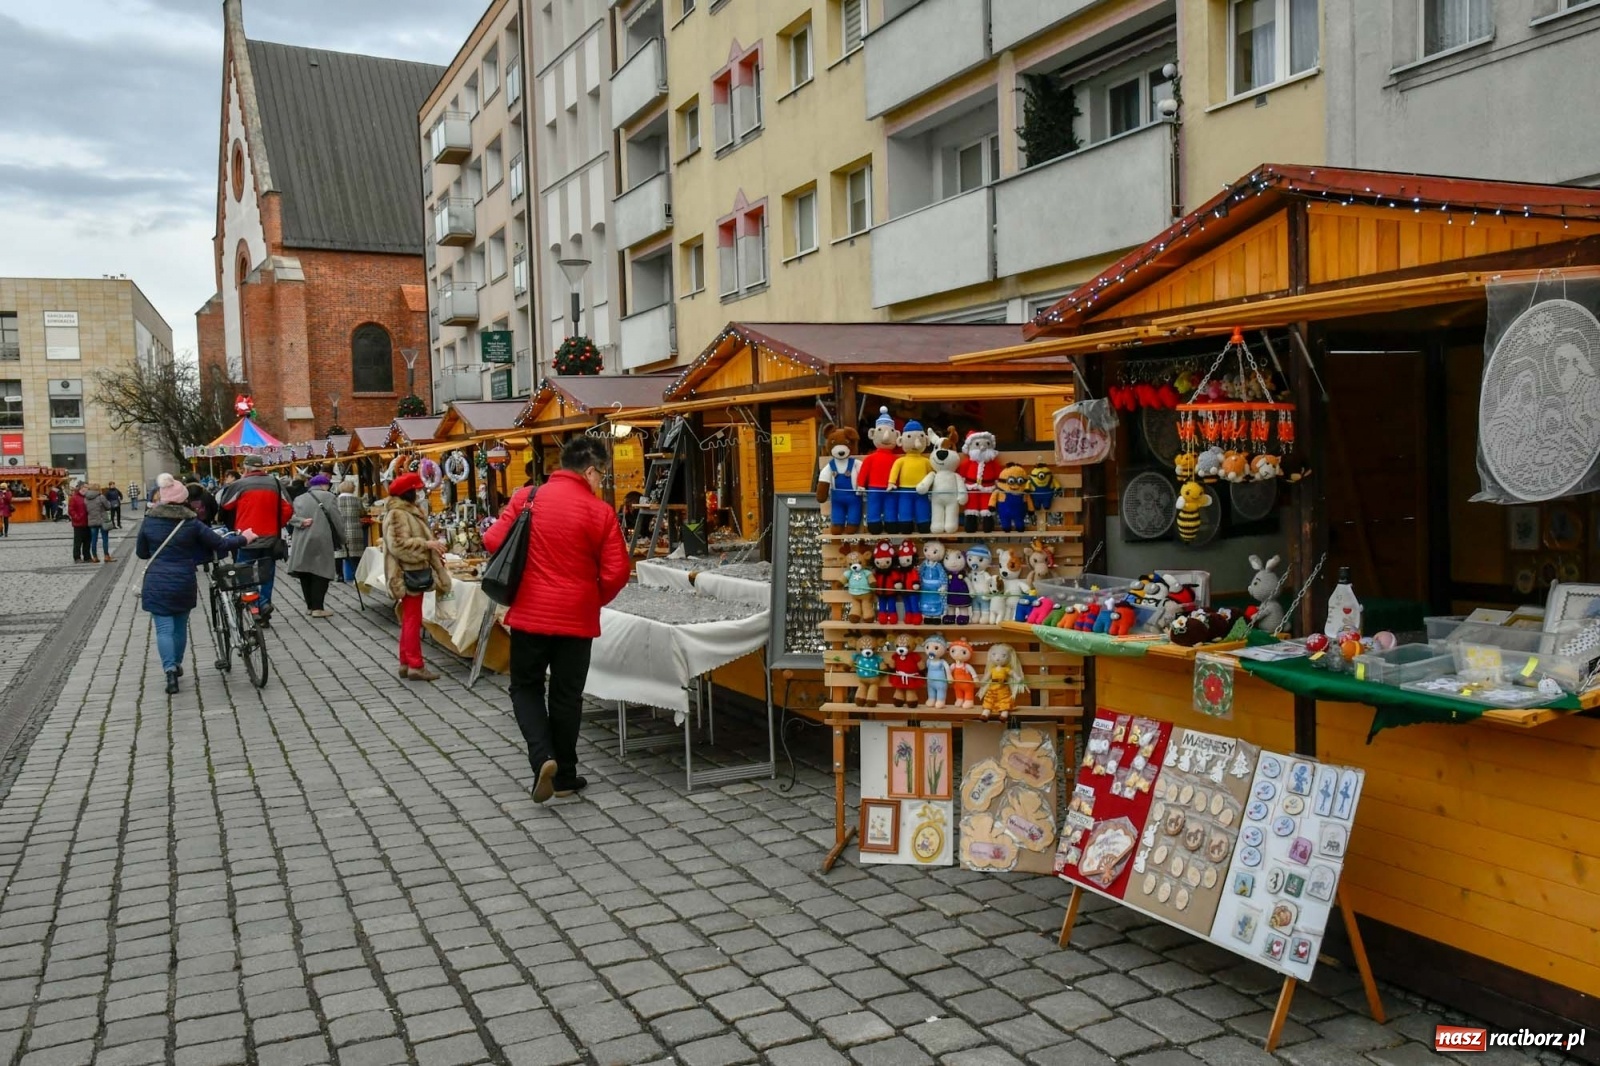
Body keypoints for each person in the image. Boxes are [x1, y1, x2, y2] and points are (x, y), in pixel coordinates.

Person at [483, 436, 629, 804]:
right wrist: (591, 598)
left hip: (531, 615)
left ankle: (542, 757)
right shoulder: (601, 513)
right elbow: (617, 572)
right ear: (591, 470)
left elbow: (491, 540)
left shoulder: (527, 497)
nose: (601, 484)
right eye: (602, 477)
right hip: (577, 619)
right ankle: (564, 775)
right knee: (567, 696)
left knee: (526, 687)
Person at [138, 473, 255, 694]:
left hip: (156, 580)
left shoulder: (149, 521)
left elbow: (142, 552)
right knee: (180, 626)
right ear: (183, 499)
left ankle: (170, 671)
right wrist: (245, 538)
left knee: (164, 629)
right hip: (183, 579)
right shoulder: (190, 523)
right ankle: (178, 663)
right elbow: (219, 544)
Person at [382, 472, 450, 682]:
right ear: (409, 492)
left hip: (410, 572)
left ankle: (405, 663)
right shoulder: (398, 514)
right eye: (417, 489)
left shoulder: (405, 511)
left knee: (410, 618)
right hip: (407, 573)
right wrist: (426, 544)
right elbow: (399, 545)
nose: (421, 493)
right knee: (412, 619)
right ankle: (416, 665)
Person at [219, 456, 292, 624]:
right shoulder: (275, 483)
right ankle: (264, 606)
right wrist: (276, 524)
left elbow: (226, 505)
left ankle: (256, 605)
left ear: (246, 468)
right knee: (267, 574)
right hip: (270, 537)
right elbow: (288, 508)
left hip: (247, 536)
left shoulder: (240, 484)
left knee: (245, 573)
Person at [288, 474, 341, 618]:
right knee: (321, 572)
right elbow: (336, 519)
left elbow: (289, 517)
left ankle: (310, 606)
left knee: (305, 572)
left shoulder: (299, 498)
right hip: (321, 538)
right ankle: (318, 608)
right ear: (325, 485)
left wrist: (300, 521)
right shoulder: (329, 497)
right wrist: (342, 538)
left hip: (302, 538)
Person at [334, 477, 366, 582]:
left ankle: (340, 575)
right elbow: (362, 513)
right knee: (355, 554)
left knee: (339, 554)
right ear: (353, 489)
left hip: (340, 529)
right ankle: (356, 575)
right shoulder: (357, 500)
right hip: (355, 529)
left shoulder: (335, 500)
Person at [82, 485, 110, 562]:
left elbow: (86, 509)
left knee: (94, 540)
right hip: (102, 520)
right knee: (105, 539)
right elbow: (108, 506)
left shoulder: (86, 498)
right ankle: (106, 556)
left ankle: (94, 557)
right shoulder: (101, 497)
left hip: (92, 521)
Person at [68, 484, 89, 560]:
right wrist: (77, 517)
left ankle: (87, 556)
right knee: (78, 541)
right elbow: (71, 510)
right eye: (84, 487)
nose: (85, 489)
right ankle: (77, 557)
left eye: (87, 488)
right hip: (78, 523)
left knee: (87, 541)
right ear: (80, 488)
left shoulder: (88, 497)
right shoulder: (74, 498)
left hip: (87, 522)